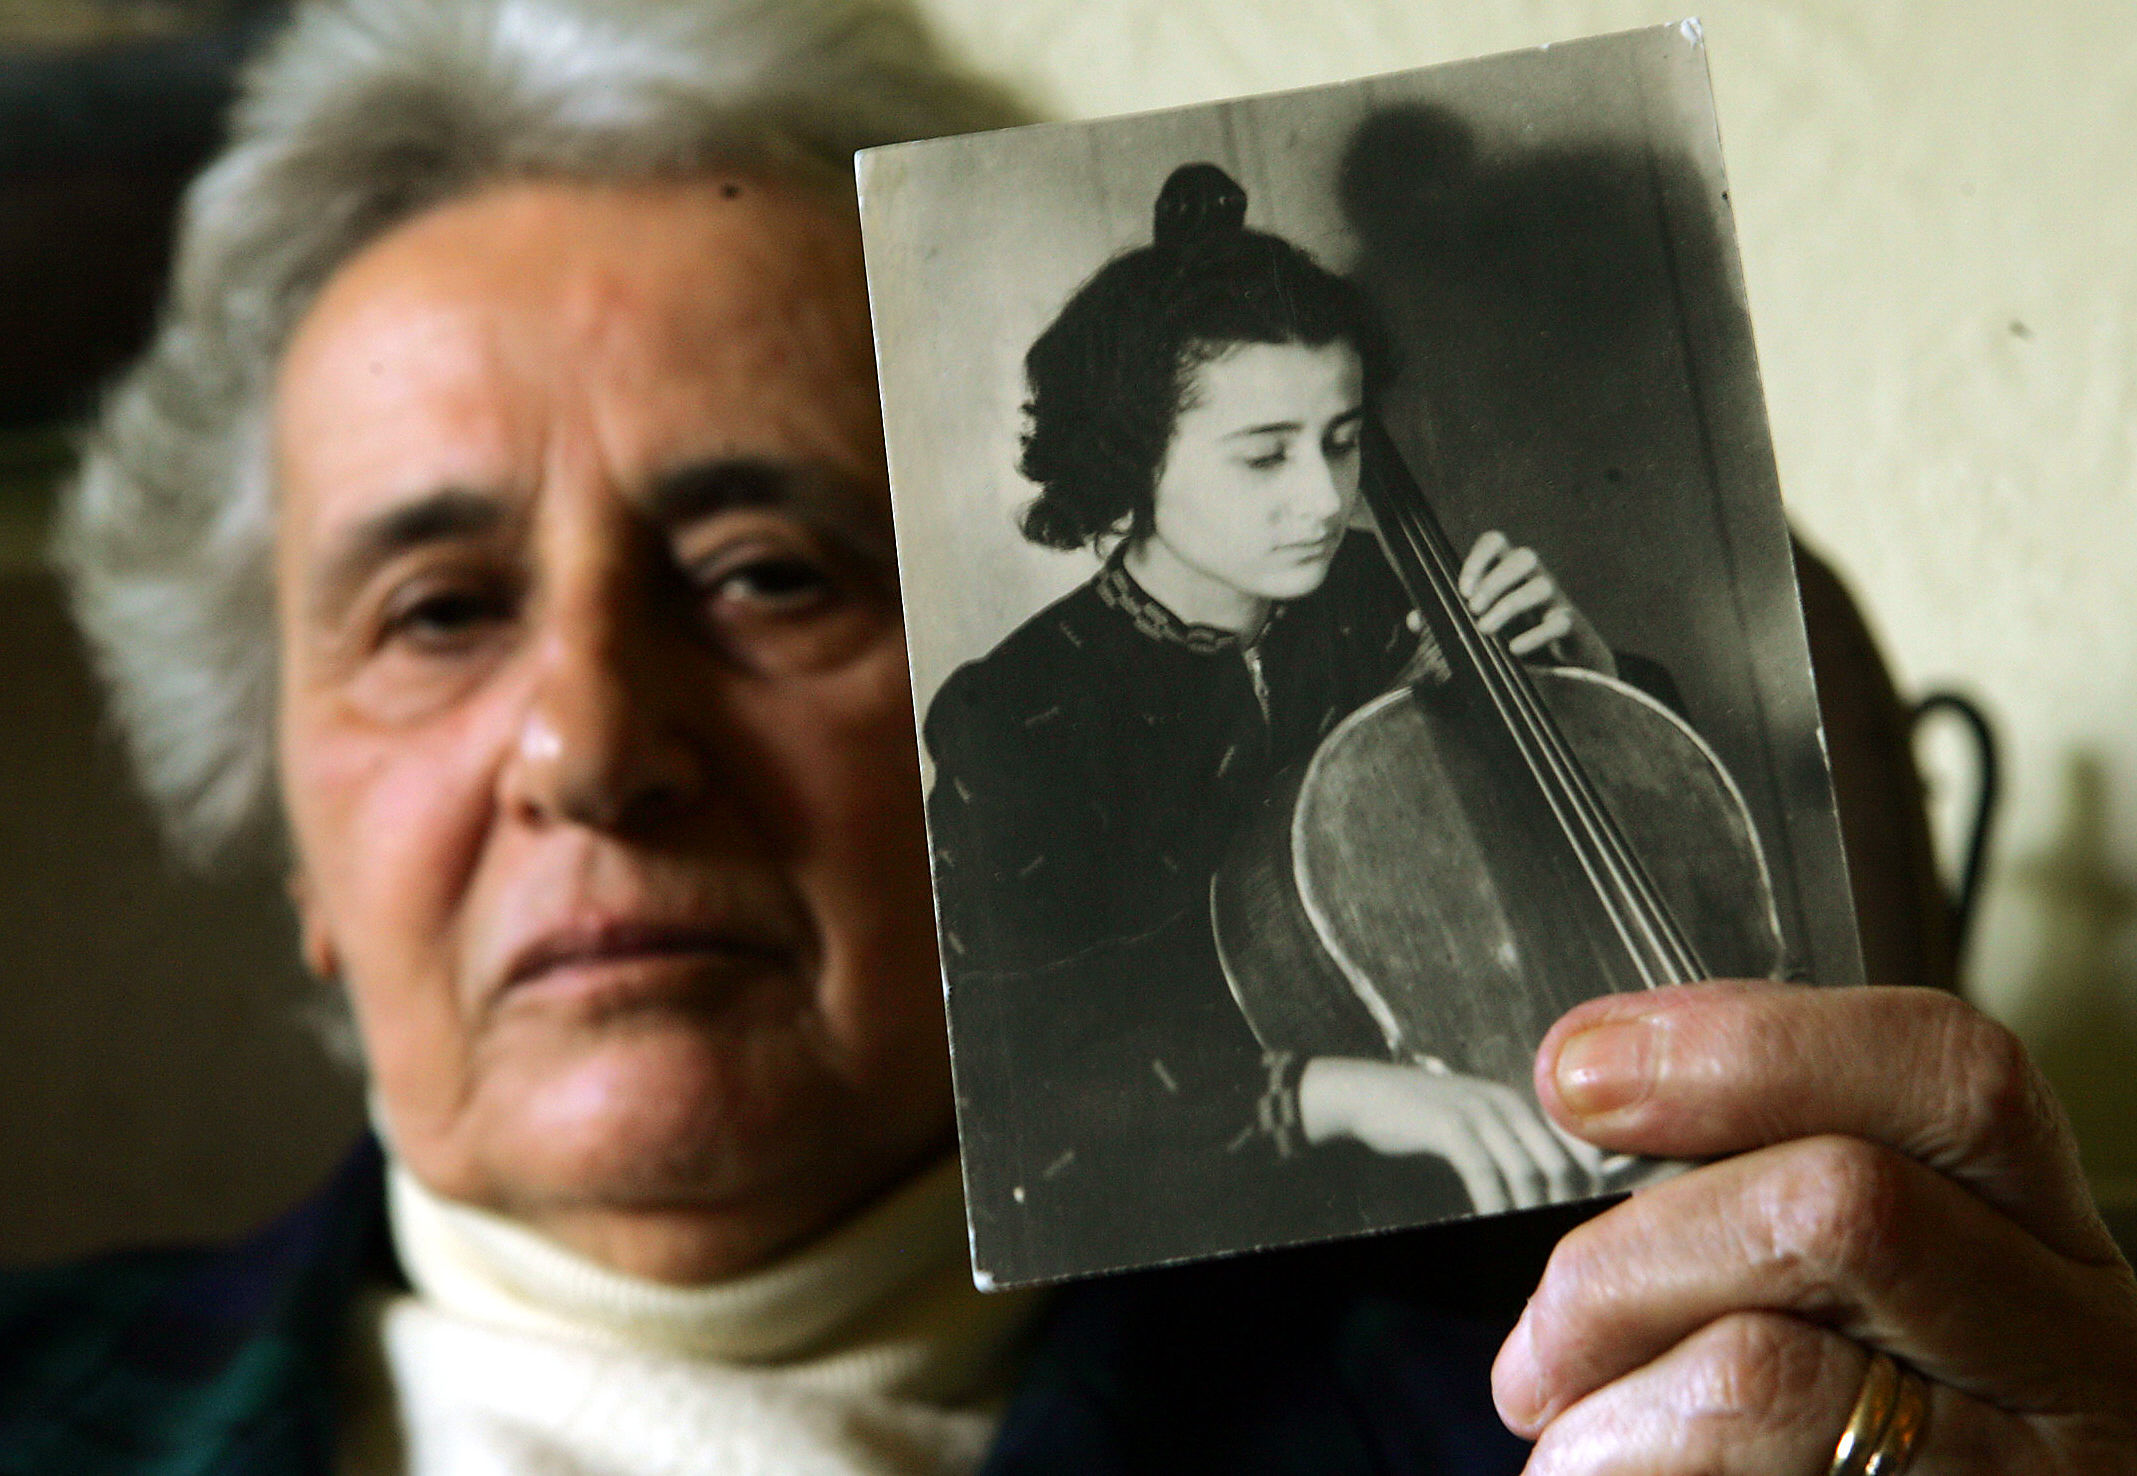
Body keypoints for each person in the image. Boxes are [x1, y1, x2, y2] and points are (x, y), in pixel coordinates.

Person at [5, 0, 2134, 1471]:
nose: (586, 742)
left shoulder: (1588, 1411)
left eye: (766, 573)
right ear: (285, 822)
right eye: (438, 610)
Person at [927, 161, 1674, 1280]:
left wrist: (1584, 678)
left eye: (1341, 438)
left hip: (1487, 1143)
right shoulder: (1020, 712)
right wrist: (1335, 1093)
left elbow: (1577, 851)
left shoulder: (1381, 592)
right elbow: (1015, 1078)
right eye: (1265, 453)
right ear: (1134, 463)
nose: (1327, 499)